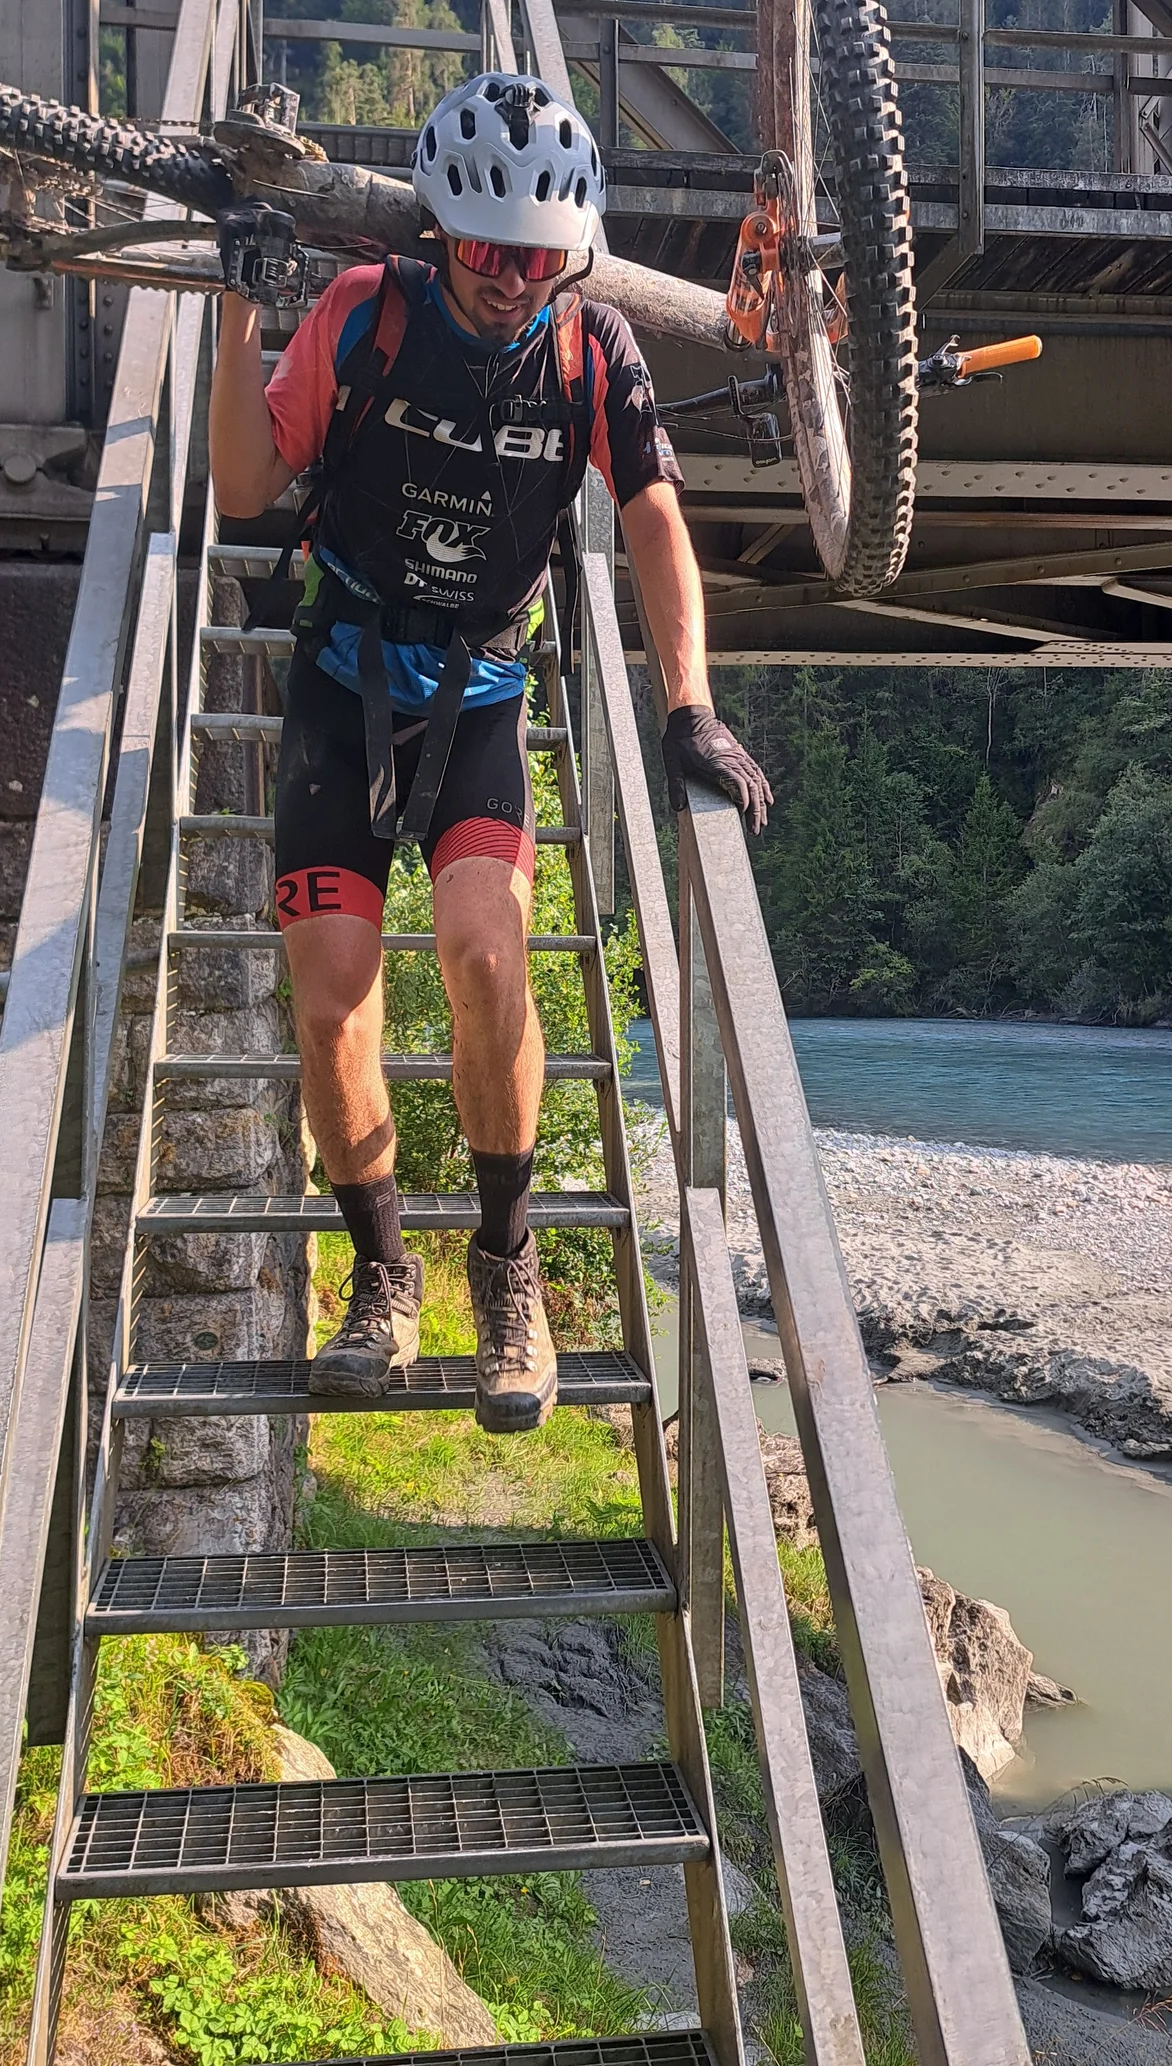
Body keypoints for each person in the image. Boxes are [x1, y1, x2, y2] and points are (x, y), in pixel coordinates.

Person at [207, 70, 770, 1434]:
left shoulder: (593, 354)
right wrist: (235, 308)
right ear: (440, 232)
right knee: (333, 1002)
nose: (512, 279)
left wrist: (687, 699)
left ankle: (507, 1273)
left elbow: (649, 518)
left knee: (481, 949)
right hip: (342, 684)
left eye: (539, 256)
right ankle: (382, 1279)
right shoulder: (363, 315)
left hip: (479, 696)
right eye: (484, 250)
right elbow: (237, 488)